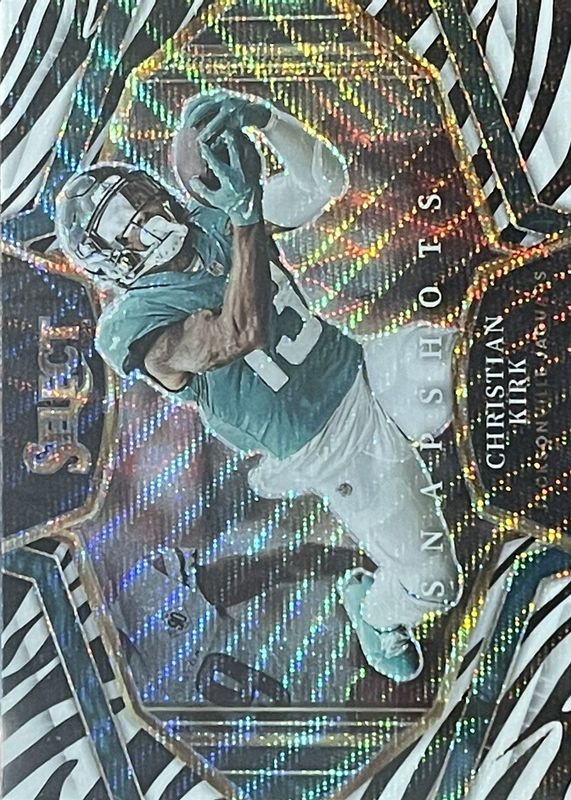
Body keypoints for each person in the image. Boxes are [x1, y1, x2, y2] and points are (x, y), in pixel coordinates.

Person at [55, 89, 463, 683]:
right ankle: (375, 613)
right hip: (329, 447)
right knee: (434, 583)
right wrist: (245, 214)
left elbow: (325, 180)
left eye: (138, 198)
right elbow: (238, 333)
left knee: (458, 355)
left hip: (360, 368)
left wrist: (266, 119)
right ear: (107, 257)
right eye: (120, 221)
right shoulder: (133, 324)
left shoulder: (213, 219)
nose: (142, 218)